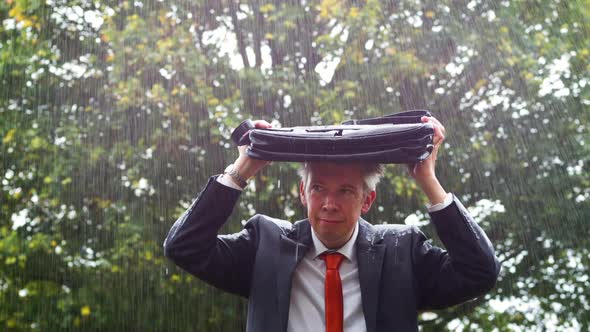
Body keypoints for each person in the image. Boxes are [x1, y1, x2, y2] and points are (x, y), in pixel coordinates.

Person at [163, 116, 501, 332]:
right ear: (303, 193)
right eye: (319, 188)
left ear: (367, 200)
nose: (329, 203)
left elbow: (479, 272)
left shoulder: (402, 250)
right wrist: (243, 168)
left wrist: (427, 178)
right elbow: (185, 247)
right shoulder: (265, 243)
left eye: (345, 191)